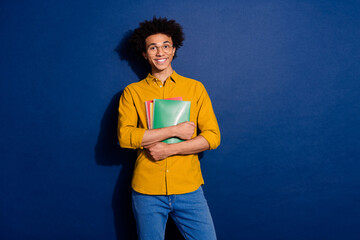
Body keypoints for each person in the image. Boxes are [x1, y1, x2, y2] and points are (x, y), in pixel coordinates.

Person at [117, 17, 221, 240]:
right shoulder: (132, 92)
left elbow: (213, 137)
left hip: (189, 188)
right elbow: (125, 137)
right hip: (147, 191)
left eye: (165, 46)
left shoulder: (195, 88)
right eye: (152, 47)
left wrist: (168, 150)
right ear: (145, 54)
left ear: (174, 50)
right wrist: (174, 131)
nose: (160, 52)